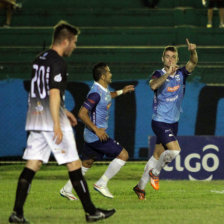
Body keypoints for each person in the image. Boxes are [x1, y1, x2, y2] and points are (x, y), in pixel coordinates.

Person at [8, 21, 115, 223]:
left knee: (33, 163)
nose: (74, 46)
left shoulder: (39, 59)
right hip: (51, 120)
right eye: (74, 42)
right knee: (74, 164)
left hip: (36, 117)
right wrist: (57, 122)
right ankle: (91, 212)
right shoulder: (58, 62)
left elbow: (40, 91)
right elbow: (54, 92)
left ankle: (17, 213)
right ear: (65, 41)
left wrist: (64, 110)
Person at [133, 39, 198, 200]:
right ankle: (155, 173)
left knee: (156, 155)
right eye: (167, 56)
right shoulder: (158, 73)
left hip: (173, 122)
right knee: (175, 151)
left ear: (177, 59)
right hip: (160, 121)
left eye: (173, 57)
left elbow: (193, 62)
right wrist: (167, 74)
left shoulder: (182, 73)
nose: (170, 59)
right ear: (163, 59)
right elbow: (153, 86)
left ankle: (140, 187)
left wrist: (192, 52)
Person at [60, 62, 135, 200]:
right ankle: (102, 183)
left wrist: (121, 91)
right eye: (109, 71)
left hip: (91, 135)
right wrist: (97, 130)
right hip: (95, 136)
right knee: (123, 155)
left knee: (87, 163)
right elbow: (82, 113)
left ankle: (66, 189)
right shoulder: (95, 93)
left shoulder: (103, 89)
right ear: (102, 76)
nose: (111, 74)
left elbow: (107, 96)